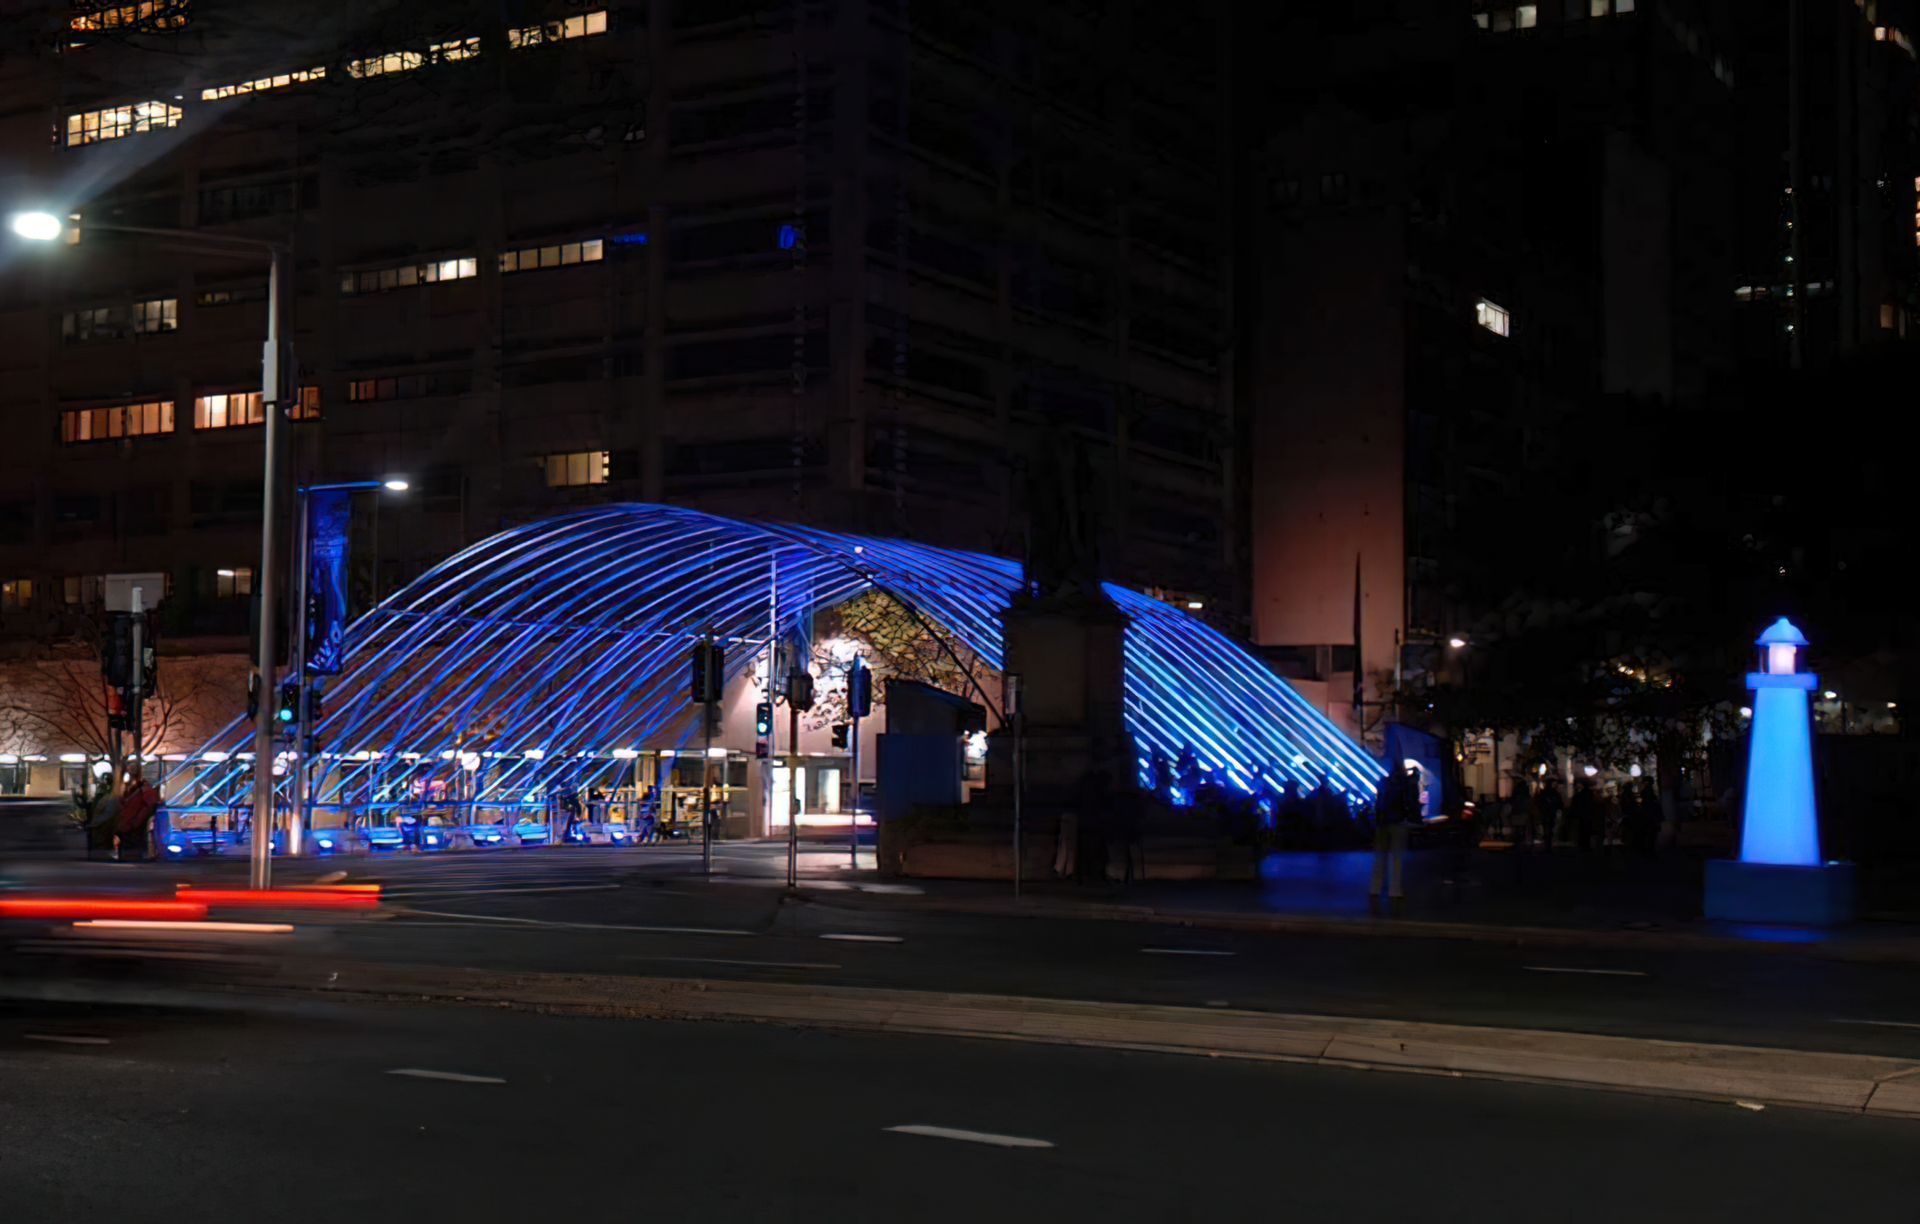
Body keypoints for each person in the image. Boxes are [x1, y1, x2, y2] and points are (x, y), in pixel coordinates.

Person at [1369, 764, 1418, 905]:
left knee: (1380, 857)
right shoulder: (1404, 784)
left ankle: (1375, 888)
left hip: (1382, 821)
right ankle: (1394, 890)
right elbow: (1410, 801)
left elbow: (1378, 801)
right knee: (1396, 857)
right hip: (1397, 820)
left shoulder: (1383, 782)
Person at [115, 764, 161, 863]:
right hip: (129, 822)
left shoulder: (144, 790)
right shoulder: (134, 789)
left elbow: (149, 806)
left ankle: (134, 855)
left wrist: (136, 820)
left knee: (133, 840)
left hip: (134, 823)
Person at [1569, 778, 1600, 853]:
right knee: (1587, 831)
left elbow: (1575, 805)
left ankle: (1583, 845)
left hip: (1582, 815)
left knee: (1582, 830)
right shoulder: (1590, 794)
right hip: (1587, 815)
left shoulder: (1580, 795)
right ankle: (1586, 845)